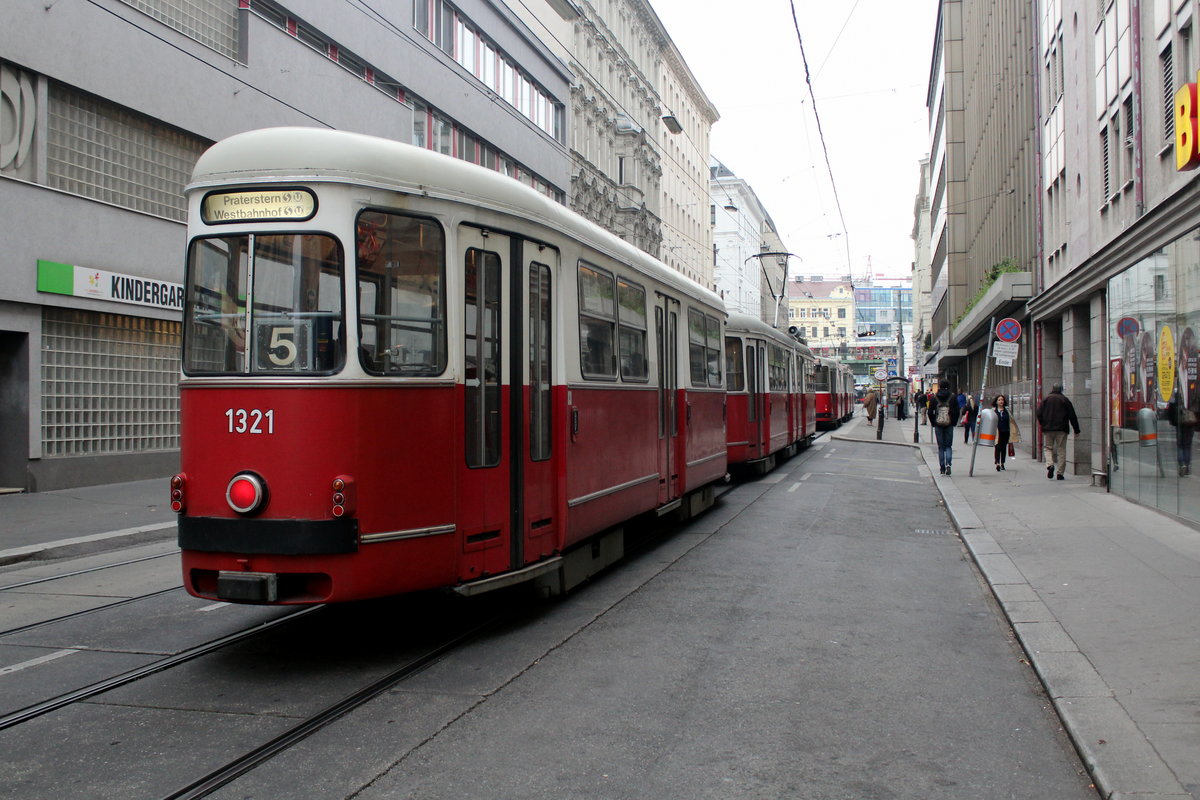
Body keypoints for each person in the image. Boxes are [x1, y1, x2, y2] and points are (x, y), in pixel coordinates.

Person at [1036, 383, 1081, 480]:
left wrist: (1043, 424)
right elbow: (1072, 416)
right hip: (1062, 429)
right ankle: (1060, 473)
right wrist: (1076, 430)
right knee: (1061, 450)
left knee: (1048, 448)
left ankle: (1050, 464)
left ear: (1052, 389)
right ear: (1061, 390)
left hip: (1048, 429)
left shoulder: (1046, 399)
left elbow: (1039, 413)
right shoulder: (1065, 400)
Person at [928, 382, 961, 475]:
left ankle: (942, 468)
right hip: (949, 424)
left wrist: (933, 423)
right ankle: (948, 465)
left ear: (939, 386)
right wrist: (953, 422)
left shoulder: (934, 397)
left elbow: (930, 412)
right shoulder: (953, 397)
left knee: (941, 447)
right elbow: (957, 411)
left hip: (938, 424)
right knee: (948, 446)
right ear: (948, 386)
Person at [1167, 388, 1196, 476]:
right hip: (1189, 424)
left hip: (1179, 424)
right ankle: (1186, 466)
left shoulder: (1176, 397)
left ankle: (1182, 464)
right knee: (1187, 445)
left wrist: (1173, 422)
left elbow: (1170, 411)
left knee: (1180, 445)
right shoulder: (1191, 395)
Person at [991, 394, 1021, 471]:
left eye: (1002, 400)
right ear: (996, 402)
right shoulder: (993, 411)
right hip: (997, 432)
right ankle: (997, 463)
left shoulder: (1007, 411)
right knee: (997, 447)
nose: (1001, 401)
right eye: (999, 400)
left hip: (1005, 431)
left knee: (1003, 448)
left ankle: (1002, 463)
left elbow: (1011, 421)